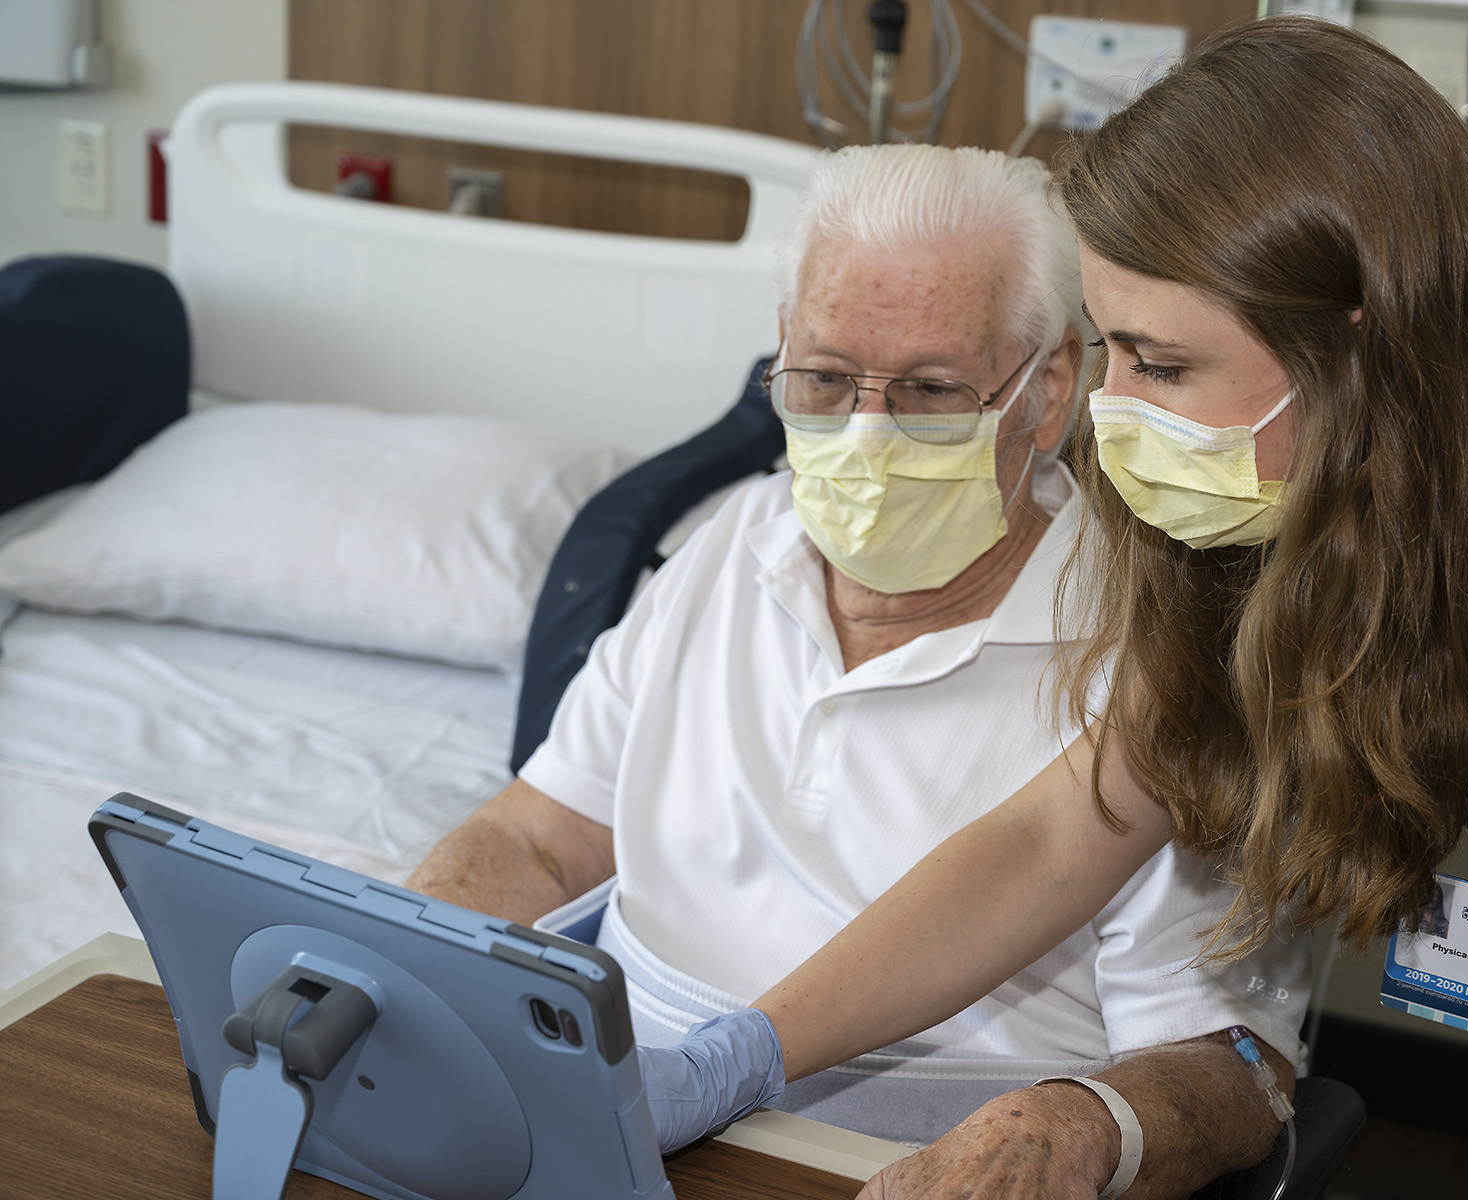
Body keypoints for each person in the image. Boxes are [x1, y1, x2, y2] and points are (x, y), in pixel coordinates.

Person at [669, 19, 1468, 1200]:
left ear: (1358, 353)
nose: (1107, 414)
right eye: (1107, 352)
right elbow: (1057, 838)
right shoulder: (1284, 511)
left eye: (1159, 366)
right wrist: (745, 1054)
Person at [406, 143, 1309, 1191]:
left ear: (1049, 389)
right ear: (781, 348)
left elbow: (1232, 1067)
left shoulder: (1162, 646)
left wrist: (1072, 1131)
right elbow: (539, 837)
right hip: (600, 1140)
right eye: (826, 379)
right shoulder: (731, 544)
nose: (865, 436)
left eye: (929, 390)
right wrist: (391, 974)